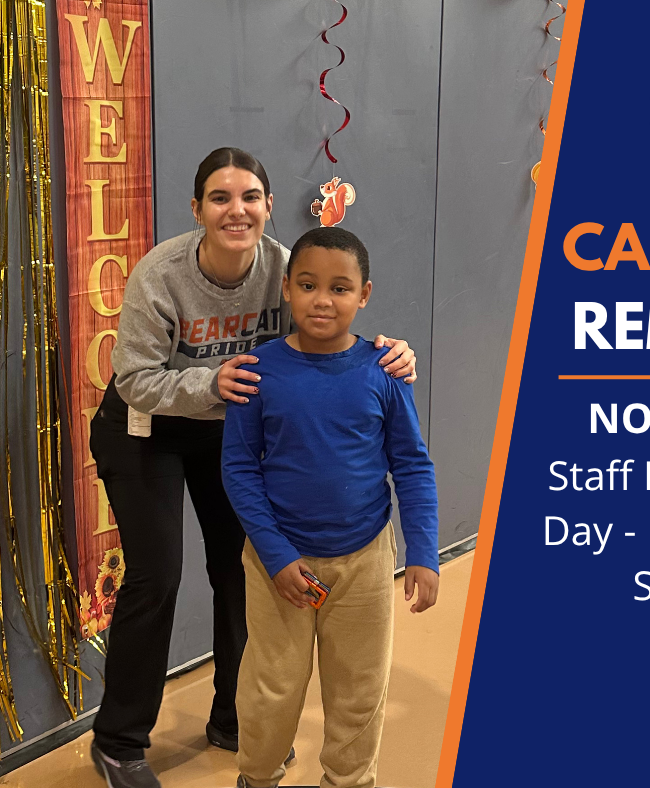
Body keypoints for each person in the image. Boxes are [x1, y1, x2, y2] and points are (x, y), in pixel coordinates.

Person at [88, 148, 417, 788]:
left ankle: (233, 720)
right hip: (146, 428)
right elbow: (133, 379)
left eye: (249, 198)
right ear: (197, 209)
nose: (235, 211)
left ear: (267, 207)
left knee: (242, 569)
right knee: (157, 575)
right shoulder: (161, 274)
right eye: (220, 198)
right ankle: (119, 741)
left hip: (226, 426)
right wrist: (211, 381)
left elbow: (329, 318)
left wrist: (389, 351)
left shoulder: (283, 268)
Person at [221, 227, 440, 788]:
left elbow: (412, 465)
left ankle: (349, 780)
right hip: (277, 563)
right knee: (272, 687)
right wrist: (276, 556)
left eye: (340, 288)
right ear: (286, 289)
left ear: (364, 295)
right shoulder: (256, 371)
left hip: (364, 560)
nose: (323, 300)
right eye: (308, 285)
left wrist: (423, 551)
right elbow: (240, 469)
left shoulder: (384, 371)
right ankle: (258, 777)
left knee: (359, 690)